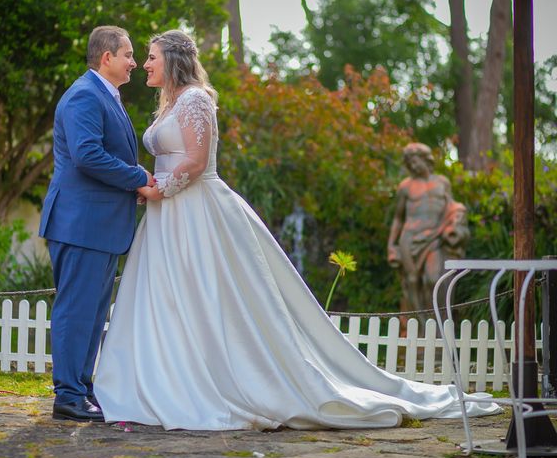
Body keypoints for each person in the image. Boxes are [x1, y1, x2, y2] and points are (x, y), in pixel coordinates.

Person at [93, 30, 497, 430]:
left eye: (151, 57)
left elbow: (197, 162)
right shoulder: (169, 104)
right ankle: (168, 377)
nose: (145, 64)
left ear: (173, 61)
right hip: (167, 216)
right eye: (143, 57)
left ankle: (216, 380)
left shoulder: (196, 99)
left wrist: (158, 188)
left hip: (197, 212)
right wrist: (152, 189)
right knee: (167, 298)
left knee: (208, 296)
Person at [39, 26, 154, 422]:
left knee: (92, 312)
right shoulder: (85, 96)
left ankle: (82, 389)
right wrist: (138, 178)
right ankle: (68, 396)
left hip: (100, 225)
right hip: (80, 223)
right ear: (107, 57)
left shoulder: (107, 96)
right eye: (128, 54)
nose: (135, 62)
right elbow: (87, 156)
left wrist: (132, 181)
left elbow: (102, 156)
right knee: (76, 310)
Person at [387, 143, 469, 322]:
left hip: (434, 238)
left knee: (433, 279)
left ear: (425, 159)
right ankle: (421, 324)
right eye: (410, 164)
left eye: (415, 162)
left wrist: (456, 220)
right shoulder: (405, 187)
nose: (413, 166)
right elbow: (398, 218)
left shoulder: (442, 182)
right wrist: (391, 245)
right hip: (409, 239)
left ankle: (438, 324)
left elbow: (452, 207)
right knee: (412, 281)